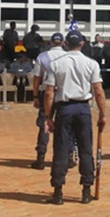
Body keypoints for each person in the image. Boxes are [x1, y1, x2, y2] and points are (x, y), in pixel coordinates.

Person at [42, 30, 107, 205]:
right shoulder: (91, 63)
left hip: (64, 108)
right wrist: (102, 113)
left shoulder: (55, 64)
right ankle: (86, 190)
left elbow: (49, 93)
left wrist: (48, 116)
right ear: (82, 44)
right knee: (86, 149)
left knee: (61, 149)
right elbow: (98, 91)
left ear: (65, 44)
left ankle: (58, 191)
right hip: (83, 108)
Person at [30, 33, 66, 170]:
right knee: (64, 126)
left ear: (51, 43)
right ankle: (66, 157)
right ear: (62, 43)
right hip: (63, 93)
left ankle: (41, 158)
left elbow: (36, 78)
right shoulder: (68, 57)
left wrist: (34, 96)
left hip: (46, 93)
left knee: (44, 124)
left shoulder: (43, 57)